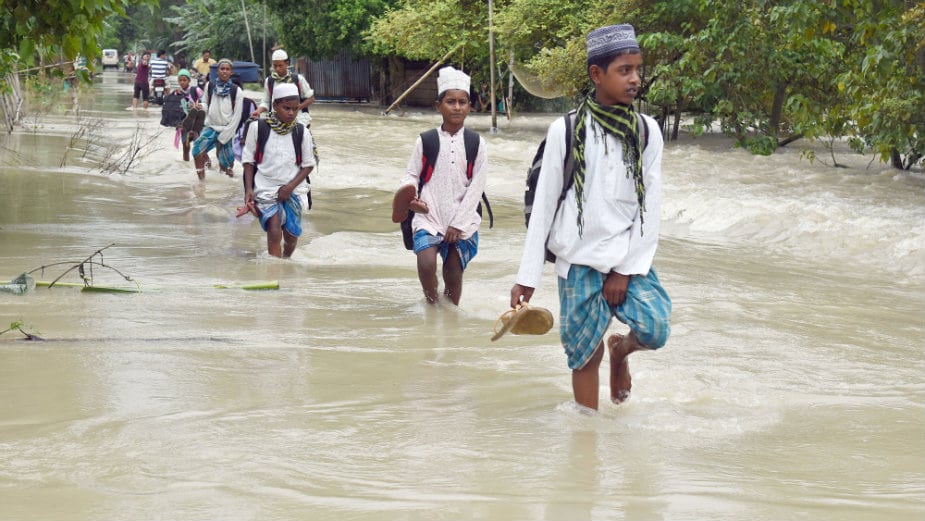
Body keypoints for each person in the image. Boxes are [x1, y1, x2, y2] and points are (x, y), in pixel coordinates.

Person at [508, 24, 671, 411]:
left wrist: (624, 271)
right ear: (597, 74)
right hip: (577, 259)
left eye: (638, 69)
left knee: (655, 328)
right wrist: (527, 277)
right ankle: (587, 434)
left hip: (627, 258)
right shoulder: (565, 130)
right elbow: (544, 206)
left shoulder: (647, 131)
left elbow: (649, 209)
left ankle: (621, 350)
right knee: (583, 353)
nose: (635, 79)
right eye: (624, 70)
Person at [398, 66, 487, 305]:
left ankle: (450, 313)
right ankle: (432, 305)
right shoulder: (425, 140)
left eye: (462, 102)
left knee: (453, 273)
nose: (457, 107)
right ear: (439, 106)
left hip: (462, 217)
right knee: (426, 264)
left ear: (469, 106)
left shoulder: (476, 143)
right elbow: (411, 175)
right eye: (450, 102)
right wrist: (410, 197)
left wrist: (458, 224)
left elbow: (477, 187)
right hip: (429, 214)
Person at [242, 83, 316, 258]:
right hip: (265, 188)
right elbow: (248, 161)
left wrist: (289, 187)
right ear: (275, 105)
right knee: (274, 229)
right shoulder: (257, 128)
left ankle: (286, 260)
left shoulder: (302, 132)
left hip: (294, 189)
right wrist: (249, 189)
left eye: (295, 109)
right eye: (286, 108)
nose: (291, 113)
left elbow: (308, 165)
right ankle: (275, 269)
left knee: (291, 236)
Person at [191, 59, 244, 179]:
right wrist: (201, 106)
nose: (224, 71)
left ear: (231, 72)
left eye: (227, 69)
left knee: (226, 164)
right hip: (211, 127)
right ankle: (201, 183)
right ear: (217, 71)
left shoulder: (237, 91)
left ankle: (228, 187)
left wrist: (225, 135)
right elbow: (205, 103)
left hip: (227, 129)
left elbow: (237, 117)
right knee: (197, 151)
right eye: (222, 69)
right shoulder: (209, 85)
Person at [251, 49, 315, 128]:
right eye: (275, 66)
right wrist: (258, 111)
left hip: (298, 120)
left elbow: (311, 99)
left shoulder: (298, 79)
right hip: (275, 122)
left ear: (287, 63)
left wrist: (295, 109)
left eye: (280, 65)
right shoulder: (269, 81)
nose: (277, 68)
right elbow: (266, 102)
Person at [172, 69, 204, 161]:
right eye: (180, 80)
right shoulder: (176, 93)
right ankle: (186, 165)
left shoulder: (195, 90)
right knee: (185, 148)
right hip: (184, 123)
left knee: (200, 147)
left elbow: (204, 99)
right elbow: (173, 107)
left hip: (196, 122)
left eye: (184, 80)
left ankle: (204, 163)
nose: (182, 82)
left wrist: (199, 105)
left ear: (189, 80)